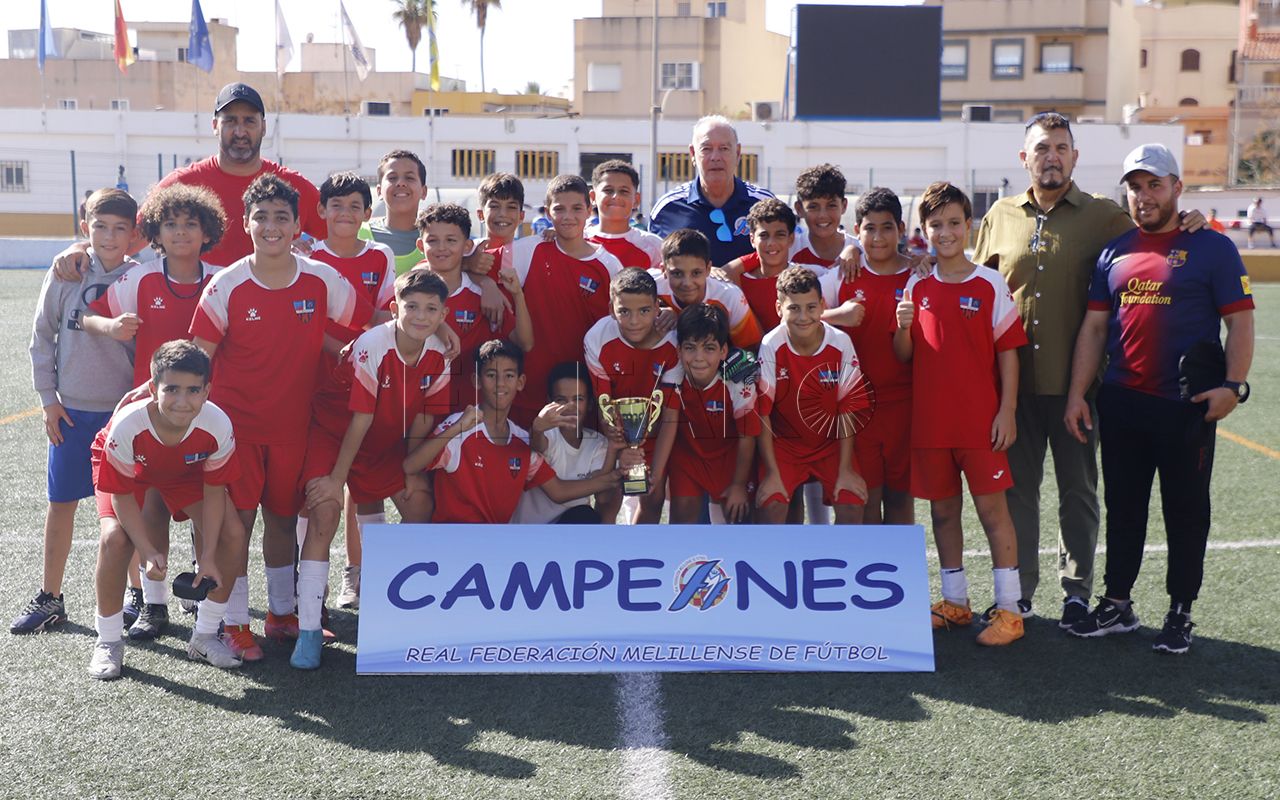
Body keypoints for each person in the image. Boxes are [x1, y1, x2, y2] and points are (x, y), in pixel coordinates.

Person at [971, 111, 1206, 626]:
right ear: (1024, 158)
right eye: (1041, 148)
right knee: (1016, 491)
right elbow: (977, 288)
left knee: (1078, 492)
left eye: (1061, 148)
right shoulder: (999, 216)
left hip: (1078, 385)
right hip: (1011, 386)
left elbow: (1155, 234)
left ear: (1074, 157)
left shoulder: (1104, 217)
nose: (1051, 157)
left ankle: (1076, 592)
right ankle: (1019, 592)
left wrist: (1193, 221)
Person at [1064, 144, 1255, 654]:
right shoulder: (1114, 251)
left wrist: (1233, 386)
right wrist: (1078, 393)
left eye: (1154, 184)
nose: (1143, 195)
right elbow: (1094, 327)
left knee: (1186, 512)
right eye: (1135, 186)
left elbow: (1240, 321)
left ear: (1176, 188)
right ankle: (1118, 604)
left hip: (1186, 407)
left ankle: (1180, 611)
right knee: (1124, 508)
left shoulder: (1213, 248)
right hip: (1123, 403)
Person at [189, 174, 377, 660]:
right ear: (245, 224)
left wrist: (421, 333)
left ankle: (281, 614)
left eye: (281, 217)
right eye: (261, 217)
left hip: (294, 428)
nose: (271, 226)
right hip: (236, 432)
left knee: (281, 520)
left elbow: (360, 330)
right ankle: (234, 623)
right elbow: (198, 358)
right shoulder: (226, 285)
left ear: (297, 226)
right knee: (237, 526)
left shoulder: (321, 278)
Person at [294, 270, 454, 669]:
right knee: (325, 510)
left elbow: (424, 417)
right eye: (412, 306)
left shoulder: (440, 354)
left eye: (430, 309)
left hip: (380, 440)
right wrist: (336, 480)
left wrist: (409, 466)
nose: (420, 316)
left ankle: (387, 600)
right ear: (394, 308)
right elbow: (359, 419)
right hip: (334, 433)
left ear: (443, 315)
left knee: (419, 501)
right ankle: (308, 627)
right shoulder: (373, 344)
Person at [894, 182, 1028, 647]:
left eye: (954, 222)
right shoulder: (917, 285)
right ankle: (955, 602)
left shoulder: (989, 283)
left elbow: (1009, 351)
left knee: (993, 513)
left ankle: (1010, 610)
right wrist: (902, 328)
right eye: (936, 225)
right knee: (943, 513)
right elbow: (904, 354)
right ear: (923, 229)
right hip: (932, 424)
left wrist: (1007, 410)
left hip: (980, 423)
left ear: (969, 225)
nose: (946, 232)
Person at [12, 189, 139, 636]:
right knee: (61, 503)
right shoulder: (66, 272)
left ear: (134, 234)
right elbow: (42, 336)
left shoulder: (139, 278)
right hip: (71, 412)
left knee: (127, 509)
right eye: (100, 226)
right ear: (85, 228)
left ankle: (138, 595)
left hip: (122, 415)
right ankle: (50, 597)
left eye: (120, 228)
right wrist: (48, 399)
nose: (109, 236)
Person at [87, 341, 247, 679]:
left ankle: (205, 635)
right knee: (115, 539)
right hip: (133, 470)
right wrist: (147, 552)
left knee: (232, 534)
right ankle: (109, 640)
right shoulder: (127, 424)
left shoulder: (217, 424)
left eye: (193, 390)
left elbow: (214, 493)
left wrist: (207, 557)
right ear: (152, 388)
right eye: (171, 389)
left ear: (207, 391)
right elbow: (122, 496)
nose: (182, 400)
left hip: (184, 471)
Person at [403, 340, 633, 524]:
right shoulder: (460, 428)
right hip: (454, 542)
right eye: (491, 375)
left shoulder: (521, 439)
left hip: (498, 547)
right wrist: (456, 429)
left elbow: (559, 491)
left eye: (509, 376)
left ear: (521, 382)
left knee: (584, 516)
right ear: (477, 381)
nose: (500, 384)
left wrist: (617, 476)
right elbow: (411, 466)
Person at [306, 171, 397, 609]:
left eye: (354, 206)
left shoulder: (380, 256)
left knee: (368, 484)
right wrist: (340, 350)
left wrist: (362, 356)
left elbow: (384, 316)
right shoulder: (305, 257)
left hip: (366, 384)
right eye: (336, 205)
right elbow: (303, 324)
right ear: (321, 210)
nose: (345, 213)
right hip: (313, 386)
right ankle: (308, 591)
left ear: (367, 213)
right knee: (312, 487)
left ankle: (364, 575)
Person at [819, 187, 915, 525]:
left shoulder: (918, 275)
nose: (878, 237)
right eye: (869, 228)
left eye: (887, 228)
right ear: (857, 231)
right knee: (867, 499)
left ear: (901, 229)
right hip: (856, 410)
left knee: (901, 498)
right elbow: (797, 318)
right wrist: (835, 316)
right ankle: (873, 562)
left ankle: (899, 563)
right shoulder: (842, 276)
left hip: (904, 407)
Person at [508, 174, 624, 427]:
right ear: (548, 212)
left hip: (584, 400)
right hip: (530, 393)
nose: (568, 216)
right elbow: (477, 260)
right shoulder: (530, 249)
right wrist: (487, 284)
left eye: (576, 208)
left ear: (590, 210)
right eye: (559, 209)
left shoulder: (609, 265)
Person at [755, 266, 868, 526]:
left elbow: (848, 410)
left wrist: (845, 469)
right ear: (779, 309)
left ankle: (839, 555)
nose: (803, 316)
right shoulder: (771, 344)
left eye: (811, 307)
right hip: (785, 445)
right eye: (794, 308)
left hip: (830, 444)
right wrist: (772, 472)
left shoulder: (840, 342)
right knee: (770, 504)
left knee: (852, 502)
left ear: (823, 306)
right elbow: (763, 413)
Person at [584, 268, 681, 524]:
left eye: (644, 311)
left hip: (654, 432)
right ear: (611, 309)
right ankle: (604, 547)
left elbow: (670, 415)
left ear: (657, 308)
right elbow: (604, 405)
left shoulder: (674, 343)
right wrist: (620, 450)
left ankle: (639, 546)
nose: (634, 321)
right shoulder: (597, 338)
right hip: (613, 433)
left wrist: (656, 471)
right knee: (607, 496)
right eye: (624, 311)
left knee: (653, 496)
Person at [417, 202, 533, 410]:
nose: (441, 247)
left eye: (451, 240)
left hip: (469, 412)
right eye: (432, 240)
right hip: (418, 411)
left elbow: (524, 343)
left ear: (467, 246)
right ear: (420, 245)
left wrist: (518, 295)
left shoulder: (484, 295)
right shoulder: (408, 294)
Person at [651, 304, 760, 525]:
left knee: (738, 517)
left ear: (723, 351)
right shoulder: (673, 372)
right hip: (689, 456)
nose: (698, 358)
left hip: (730, 456)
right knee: (682, 517)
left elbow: (747, 436)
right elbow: (669, 421)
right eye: (690, 348)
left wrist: (738, 484)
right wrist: (655, 475)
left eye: (709, 348)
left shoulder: (738, 382)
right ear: (679, 350)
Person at [650, 115, 775, 267]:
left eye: (724, 149)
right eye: (706, 149)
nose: (715, 157)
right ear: (693, 154)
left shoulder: (764, 204)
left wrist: (735, 269)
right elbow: (656, 269)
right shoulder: (667, 209)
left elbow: (781, 257)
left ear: (737, 153)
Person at [512, 362, 624, 525]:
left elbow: (603, 497)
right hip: (532, 530)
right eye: (561, 400)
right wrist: (537, 429)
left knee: (585, 515)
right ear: (549, 402)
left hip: (571, 525)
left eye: (578, 399)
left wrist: (613, 449)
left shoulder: (598, 443)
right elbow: (538, 445)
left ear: (590, 403)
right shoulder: (546, 434)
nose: (571, 406)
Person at [653, 228, 762, 350]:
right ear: (663, 270)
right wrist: (658, 310)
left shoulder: (729, 296)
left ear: (709, 269)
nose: (687, 283)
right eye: (677, 274)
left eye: (696, 273)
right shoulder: (651, 286)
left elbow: (750, 349)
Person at [359, 150, 429, 274]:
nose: (401, 183)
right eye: (392, 178)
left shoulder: (437, 238)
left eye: (409, 178)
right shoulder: (357, 233)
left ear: (423, 192)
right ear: (379, 191)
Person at [585, 160, 664, 270]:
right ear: (593, 197)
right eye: (608, 190)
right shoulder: (579, 240)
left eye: (624, 191)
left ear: (636, 200)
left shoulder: (654, 246)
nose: (616, 196)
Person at [791, 164, 862, 268]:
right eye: (813, 207)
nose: (823, 215)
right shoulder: (788, 251)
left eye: (831, 205)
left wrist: (856, 249)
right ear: (799, 209)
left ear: (844, 206)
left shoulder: (862, 251)